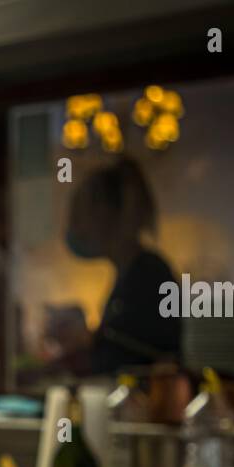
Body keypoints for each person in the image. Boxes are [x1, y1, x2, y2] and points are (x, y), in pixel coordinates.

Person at [63, 157, 180, 375]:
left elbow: (124, 359)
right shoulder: (132, 272)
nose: (77, 227)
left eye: (82, 215)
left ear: (106, 215)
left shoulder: (148, 275)